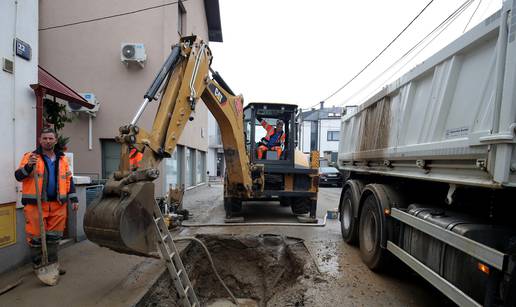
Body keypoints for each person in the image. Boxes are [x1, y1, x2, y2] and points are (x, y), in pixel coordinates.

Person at [14, 128, 78, 275]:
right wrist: (29, 166)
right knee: (35, 237)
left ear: (55, 140)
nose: (48, 141)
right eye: (45, 138)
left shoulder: (62, 159)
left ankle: (52, 265)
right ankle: (38, 266)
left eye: (50, 138)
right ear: (40, 140)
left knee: (54, 237)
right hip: (36, 204)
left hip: (58, 204)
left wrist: (73, 198)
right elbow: (18, 176)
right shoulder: (30, 157)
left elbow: (69, 179)